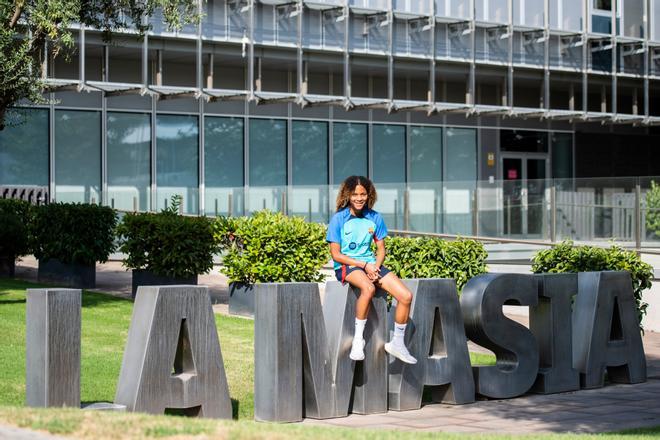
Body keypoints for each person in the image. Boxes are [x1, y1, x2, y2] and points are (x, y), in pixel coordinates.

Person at [326, 175, 417, 364]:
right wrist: (364, 266)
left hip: (370, 265)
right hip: (347, 266)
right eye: (355, 194)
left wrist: (375, 266)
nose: (359, 198)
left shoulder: (375, 217)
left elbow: (381, 249)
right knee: (368, 288)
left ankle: (397, 344)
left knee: (406, 296)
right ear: (347, 195)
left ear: (369, 195)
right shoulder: (338, 219)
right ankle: (358, 340)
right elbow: (336, 255)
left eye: (363, 194)